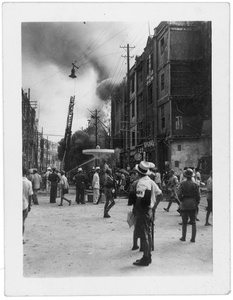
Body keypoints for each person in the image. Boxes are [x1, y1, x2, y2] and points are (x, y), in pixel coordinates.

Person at [133, 161, 162, 267]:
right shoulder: (151, 181)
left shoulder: (141, 183)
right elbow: (160, 195)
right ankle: (148, 256)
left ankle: (145, 258)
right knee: (148, 234)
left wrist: (136, 209)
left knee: (144, 235)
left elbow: (139, 198)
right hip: (149, 210)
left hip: (143, 210)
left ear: (138, 172)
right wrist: (154, 208)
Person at [177, 168, 200, 243]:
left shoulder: (183, 184)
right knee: (193, 222)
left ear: (185, 176)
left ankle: (184, 237)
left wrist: (182, 200)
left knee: (184, 222)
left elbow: (179, 194)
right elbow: (198, 196)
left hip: (185, 203)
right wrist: (196, 202)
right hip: (193, 204)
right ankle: (193, 238)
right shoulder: (196, 185)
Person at [22, 166, 33, 244]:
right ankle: (21, 238)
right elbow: (30, 195)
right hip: (24, 204)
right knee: (22, 222)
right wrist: (29, 206)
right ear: (26, 174)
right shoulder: (28, 182)